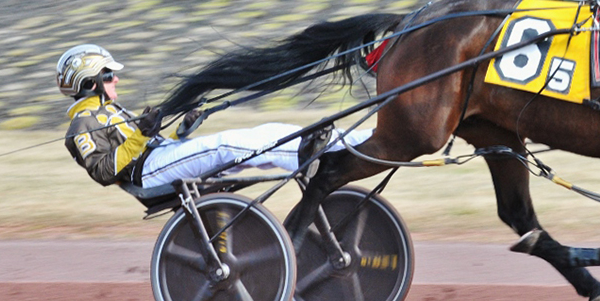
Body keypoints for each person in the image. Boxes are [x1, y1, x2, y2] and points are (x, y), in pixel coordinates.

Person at [57, 44, 368, 189]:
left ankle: (355, 142)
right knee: (227, 144)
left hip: (160, 158)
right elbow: (102, 172)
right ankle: (309, 158)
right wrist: (142, 134)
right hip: (148, 173)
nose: (116, 80)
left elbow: (151, 144)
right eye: (109, 75)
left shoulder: (109, 110)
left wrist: (183, 130)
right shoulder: (82, 125)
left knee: (264, 131)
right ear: (88, 82)